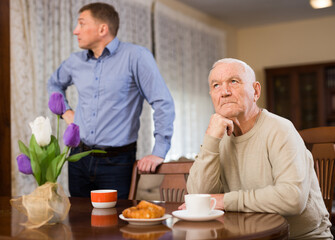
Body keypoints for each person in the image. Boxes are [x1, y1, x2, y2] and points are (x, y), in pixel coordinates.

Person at [184, 58, 332, 239]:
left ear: (255, 91)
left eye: (233, 81)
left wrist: (224, 201)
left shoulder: (280, 129)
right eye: (216, 85)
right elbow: (200, 199)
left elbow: (292, 199)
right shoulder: (218, 137)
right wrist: (211, 139)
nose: (224, 92)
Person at [47, 2, 175, 199]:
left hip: (117, 163)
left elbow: (162, 102)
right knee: (78, 222)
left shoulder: (137, 57)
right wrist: (66, 112)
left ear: (102, 29)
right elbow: (54, 84)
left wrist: (158, 151)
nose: (75, 31)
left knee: (114, 226)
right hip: (77, 157)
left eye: (81, 24)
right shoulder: (75, 62)